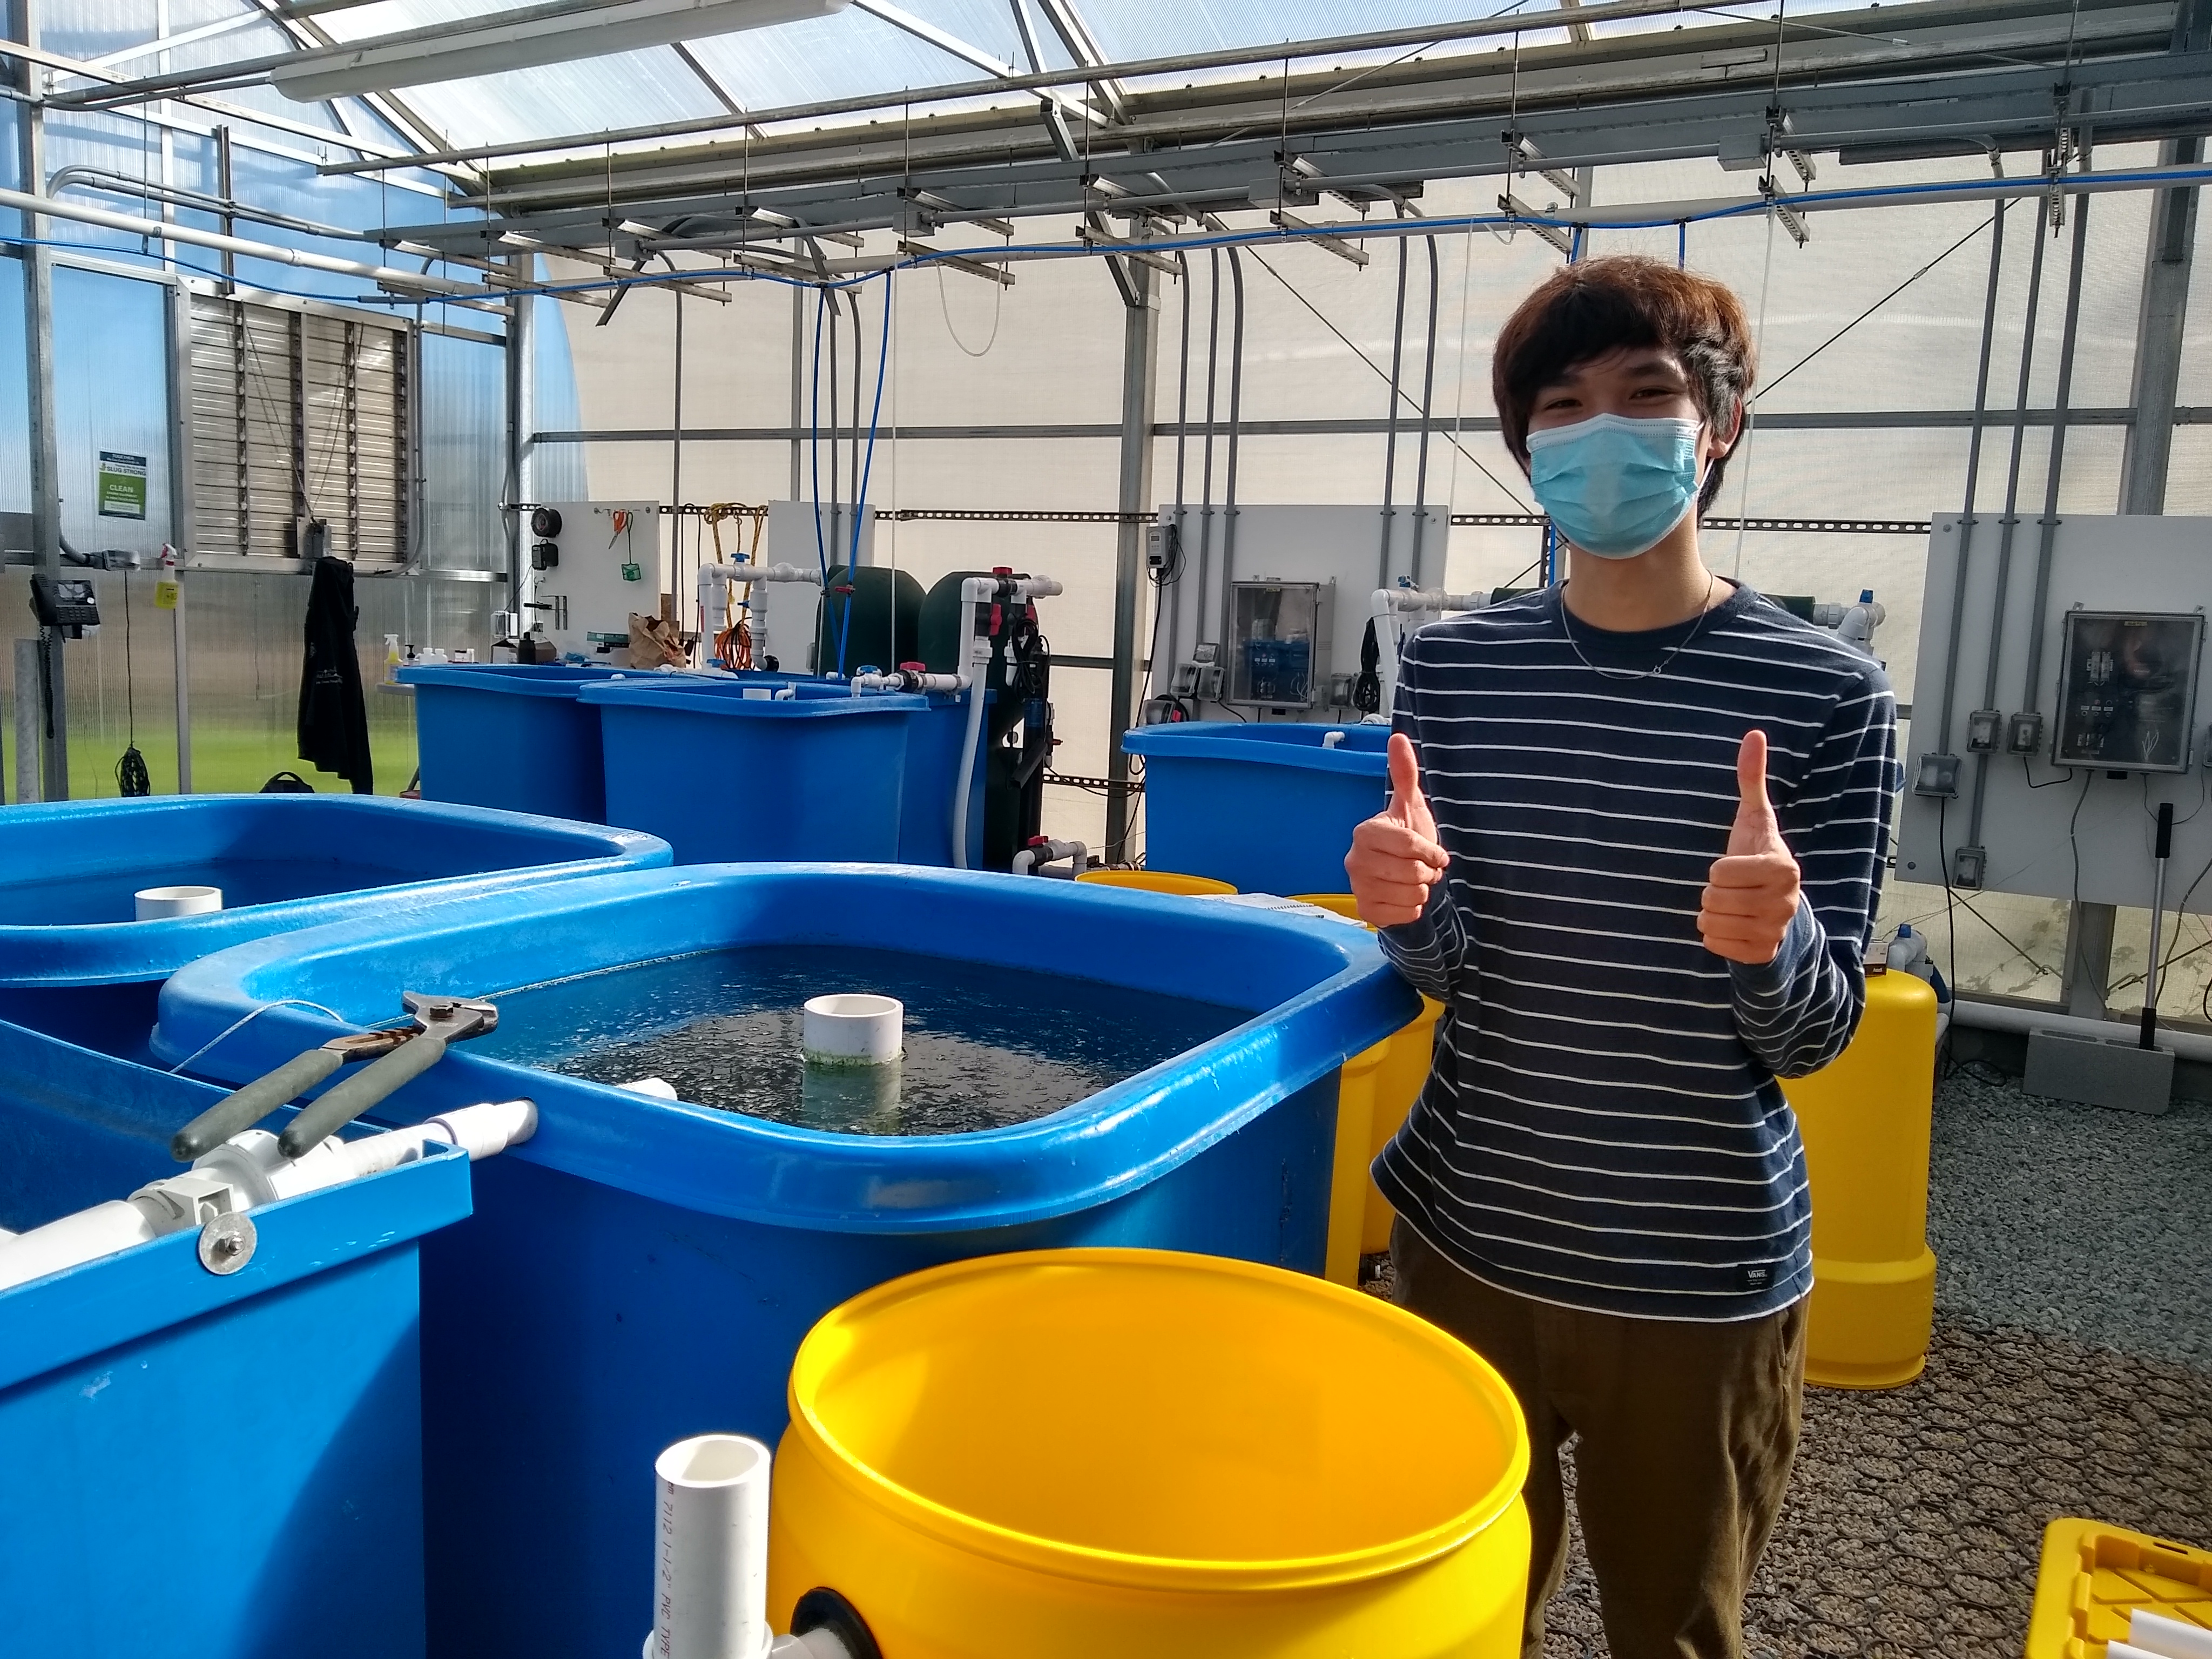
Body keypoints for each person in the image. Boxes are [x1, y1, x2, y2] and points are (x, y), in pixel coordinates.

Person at [1344, 255, 1900, 1659]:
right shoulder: (1459, 673)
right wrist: (1406, 903)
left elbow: (1814, 1039)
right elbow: (1458, 971)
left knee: (1679, 1627)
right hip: (1470, 1240)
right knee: (1454, 1613)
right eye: (1561, 406)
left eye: (1643, 395)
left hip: (1699, 1280)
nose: (1600, 431)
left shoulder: (1826, 696)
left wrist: (1769, 951)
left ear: (1716, 428)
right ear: (1528, 447)